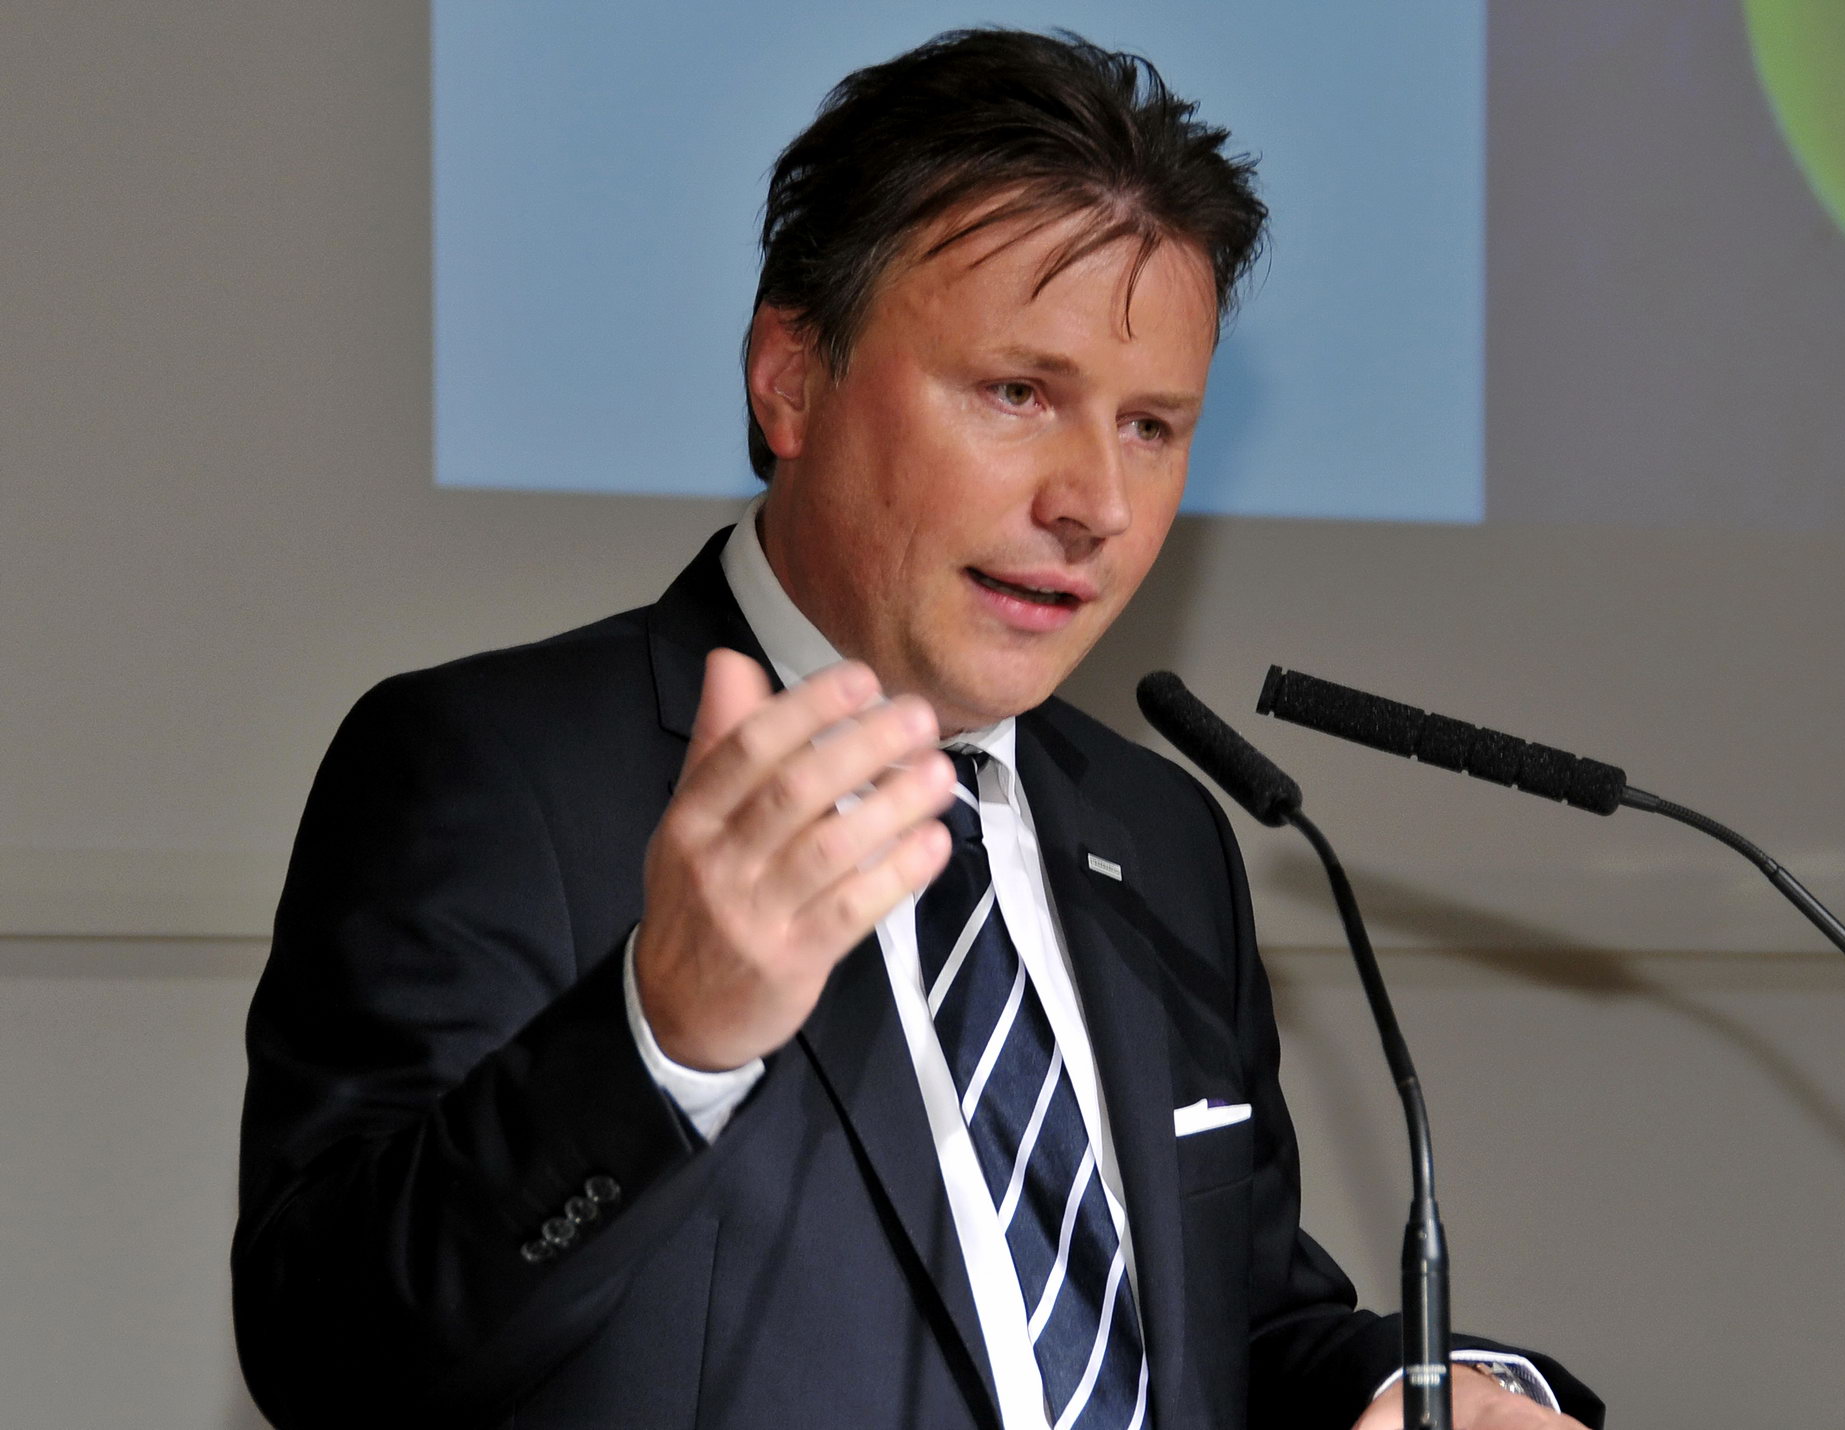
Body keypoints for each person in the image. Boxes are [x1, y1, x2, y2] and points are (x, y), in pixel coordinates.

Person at [234, 29, 1604, 1430]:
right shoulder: (500, 775)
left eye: (1151, 426)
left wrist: (1426, 1393)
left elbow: (1234, 1327)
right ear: (790, 378)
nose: (1095, 505)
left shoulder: (1163, 838)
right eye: (1020, 393)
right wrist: (660, 1038)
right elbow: (328, 1354)